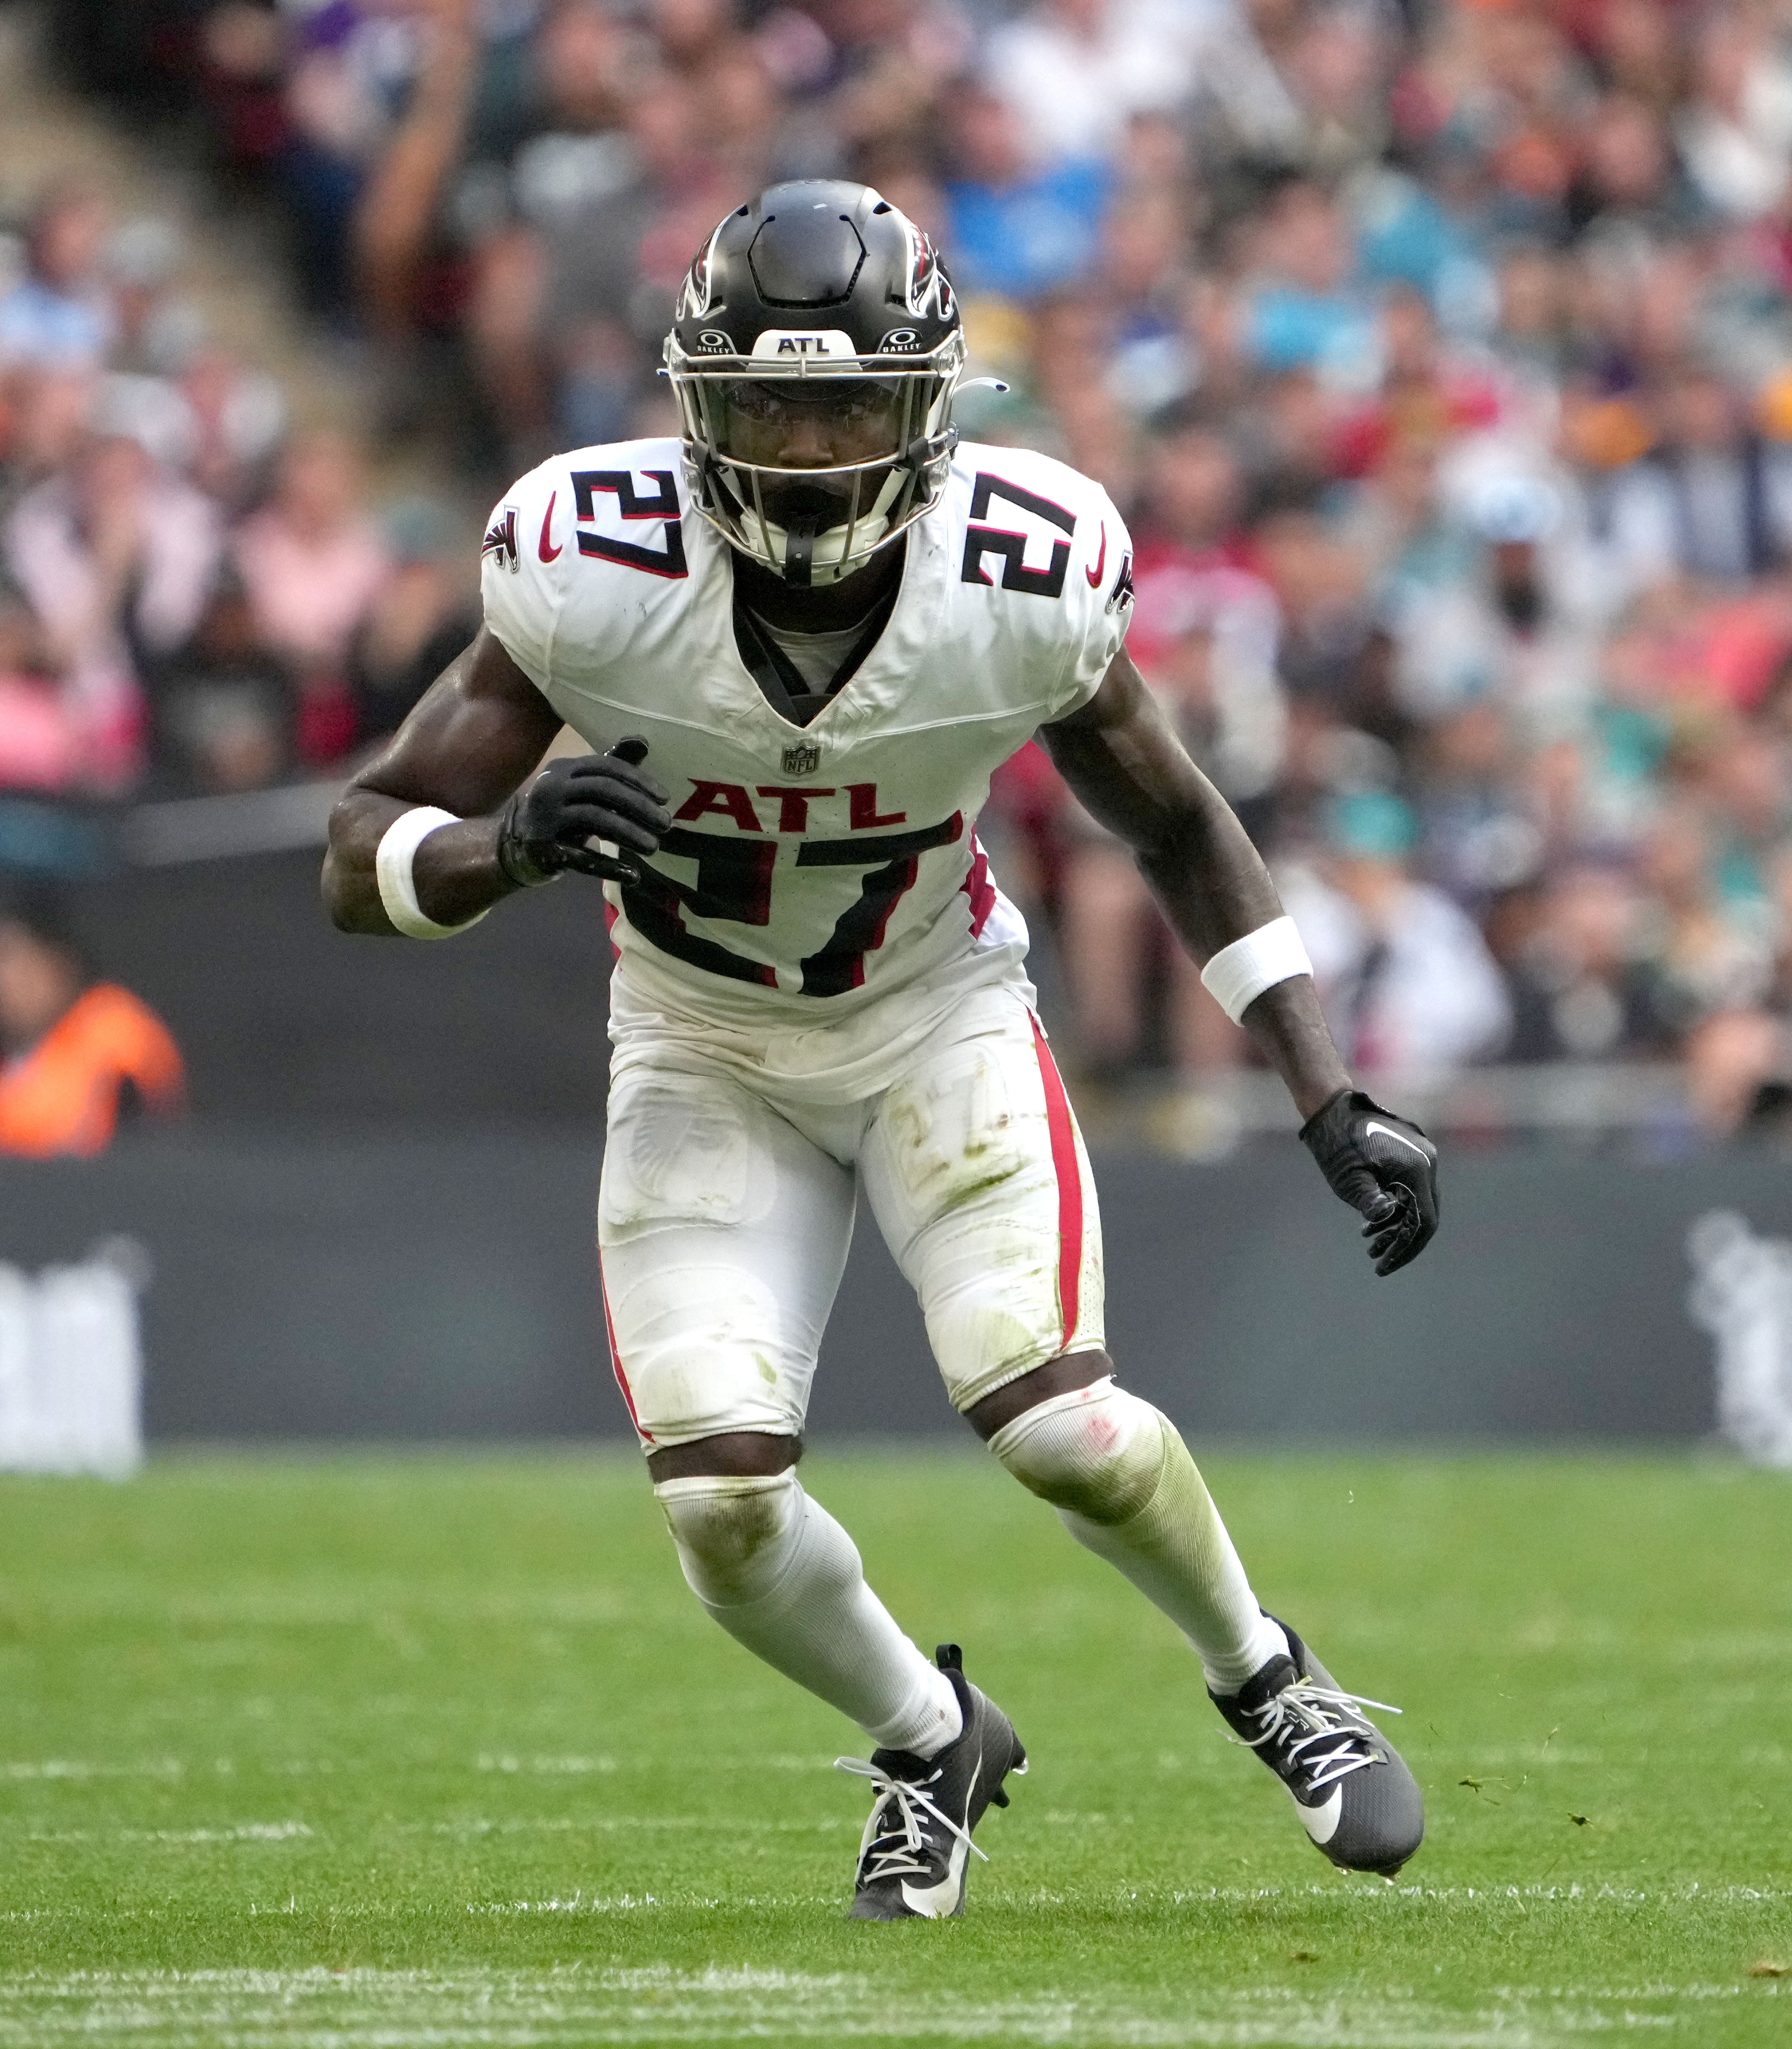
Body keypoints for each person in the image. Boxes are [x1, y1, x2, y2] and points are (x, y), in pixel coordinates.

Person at [322, 182, 1438, 1922]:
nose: (809, 449)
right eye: (768, 408)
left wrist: (1321, 1082)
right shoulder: (593, 565)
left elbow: (1174, 822)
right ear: (695, 406)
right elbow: (359, 857)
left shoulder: (1016, 573)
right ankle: (931, 1739)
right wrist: (505, 846)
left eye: (844, 404)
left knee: (1059, 1420)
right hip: (700, 1046)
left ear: (928, 405)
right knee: (716, 1506)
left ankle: (1263, 1675)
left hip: (935, 1021)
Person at [0, 896, 187, 1158]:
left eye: (21, 970)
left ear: (60, 965)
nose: (3, 988)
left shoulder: (111, 1028)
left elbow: (129, 1138)